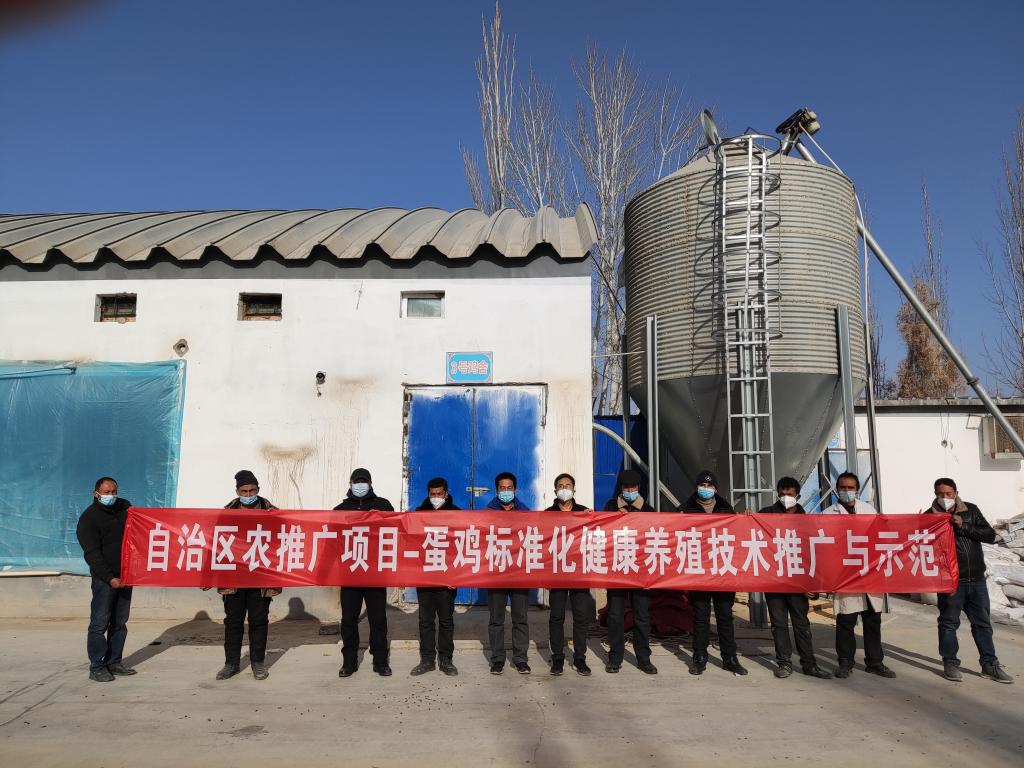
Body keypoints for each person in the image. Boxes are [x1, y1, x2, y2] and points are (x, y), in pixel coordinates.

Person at [926, 477, 1013, 684]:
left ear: (956, 493)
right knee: (948, 623)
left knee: (982, 624)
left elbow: (990, 535)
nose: (945, 497)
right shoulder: (929, 517)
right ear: (935, 494)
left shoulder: (970, 510)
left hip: (976, 578)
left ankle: (989, 664)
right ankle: (950, 663)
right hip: (950, 581)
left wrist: (963, 525)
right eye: (940, 494)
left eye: (948, 494)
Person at [823, 471, 895, 679]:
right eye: (843, 488)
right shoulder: (828, 514)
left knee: (872, 621)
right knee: (846, 621)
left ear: (857, 489)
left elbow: (880, 537)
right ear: (837, 489)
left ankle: (875, 662)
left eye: (851, 488)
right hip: (845, 575)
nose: (847, 491)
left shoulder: (868, 510)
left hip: (869, 573)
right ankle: (845, 663)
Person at [757, 477, 832, 680]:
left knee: (801, 624)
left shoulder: (807, 521)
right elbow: (748, 532)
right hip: (775, 581)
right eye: (782, 494)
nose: (785, 498)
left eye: (789, 494)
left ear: (798, 496)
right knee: (779, 624)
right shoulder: (765, 515)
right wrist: (747, 517)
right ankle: (784, 663)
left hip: (799, 583)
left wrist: (813, 585)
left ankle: (809, 664)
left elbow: (813, 555)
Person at [211, 470, 281, 681]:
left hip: (261, 577)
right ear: (237, 492)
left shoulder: (272, 513)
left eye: (252, 490)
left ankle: (257, 663)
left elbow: (281, 542)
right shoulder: (226, 514)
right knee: (233, 621)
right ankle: (231, 663)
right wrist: (209, 575)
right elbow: (215, 544)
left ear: (258, 490)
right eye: (244, 491)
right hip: (233, 577)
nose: (249, 494)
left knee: (259, 620)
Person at [678, 470, 747, 676]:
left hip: (723, 571)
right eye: (702, 485)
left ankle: (729, 658)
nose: (705, 489)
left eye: (709, 486)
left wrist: (747, 519)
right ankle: (699, 657)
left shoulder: (726, 509)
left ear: (715, 489)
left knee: (725, 615)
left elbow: (739, 535)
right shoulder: (685, 509)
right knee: (700, 617)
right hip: (699, 571)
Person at [334, 468, 395, 678]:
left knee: (378, 619)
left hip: (375, 573)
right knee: (349, 619)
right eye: (357, 481)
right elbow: (332, 541)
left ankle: (381, 661)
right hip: (350, 574)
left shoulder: (383, 506)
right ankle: (349, 662)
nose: (360, 485)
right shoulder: (340, 510)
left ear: (370, 483)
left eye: (364, 481)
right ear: (350, 483)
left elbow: (396, 532)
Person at [76, 476, 136, 682]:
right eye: (107, 492)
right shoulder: (89, 519)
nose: (111, 496)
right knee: (99, 623)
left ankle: (114, 661)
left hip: (126, 576)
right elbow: (92, 554)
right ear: (96, 494)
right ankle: (97, 665)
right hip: (105, 580)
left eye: (114, 492)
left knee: (120, 622)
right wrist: (110, 578)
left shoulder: (125, 508)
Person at [602, 468, 657, 675]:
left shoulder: (648, 511)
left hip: (640, 571)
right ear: (621, 488)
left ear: (639, 488)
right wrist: (614, 519)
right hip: (616, 569)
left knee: (641, 616)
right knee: (615, 616)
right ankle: (615, 657)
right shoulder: (610, 507)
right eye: (626, 488)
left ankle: (644, 658)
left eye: (633, 488)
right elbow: (600, 530)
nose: (630, 491)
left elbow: (656, 535)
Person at [545, 473, 594, 676]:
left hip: (579, 572)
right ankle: (557, 658)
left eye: (568, 485)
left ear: (574, 489)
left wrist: (593, 518)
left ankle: (580, 658)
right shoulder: (547, 514)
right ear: (555, 490)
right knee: (556, 617)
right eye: (561, 486)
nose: (564, 489)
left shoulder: (584, 512)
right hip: (557, 573)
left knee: (581, 617)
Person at [410, 477, 460, 677]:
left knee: (446, 620)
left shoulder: (457, 514)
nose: (436, 497)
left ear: (446, 494)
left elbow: (461, 547)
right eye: (433, 494)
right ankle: (427, 659)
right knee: (426, 620)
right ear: (428, 494)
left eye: (439, 494)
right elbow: (412, 544)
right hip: (425, 576)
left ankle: (446, 660)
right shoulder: (419, 514)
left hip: (447, 577)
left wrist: (456, 576)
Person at [485, 471, 531, 674]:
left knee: (520, 617)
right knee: (496, 619)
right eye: (502, 488)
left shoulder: (526, 512)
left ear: (515, 490)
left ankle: (520, 659)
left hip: (519, 571)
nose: (506, 491)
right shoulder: (487, 514)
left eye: (509, 488)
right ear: (496, 490)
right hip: (497, 572)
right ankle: (497, 659)